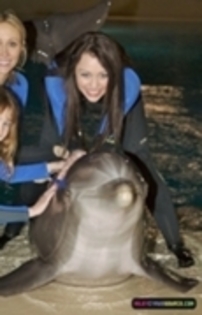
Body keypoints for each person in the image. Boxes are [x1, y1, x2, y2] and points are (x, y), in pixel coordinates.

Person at [45, 31, 193, 268]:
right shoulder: (55, 76)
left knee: (141, 163)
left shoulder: (128, 81)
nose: (94, 85)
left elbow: (107, 140)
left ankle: (176, 244)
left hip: (121, 105)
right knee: (51, 155)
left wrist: (91, 158)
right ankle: (26, 230)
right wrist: (71, 152)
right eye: (86, 74)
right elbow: (66, 128)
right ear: (73, 70)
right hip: (68, 92)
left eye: (104, 75)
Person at [0, 11, 68, 246]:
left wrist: (54, 165)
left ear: (22, 49)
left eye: (12, 44)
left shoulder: (18, 86)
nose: (4, 54)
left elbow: (4, 171)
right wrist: (28, 212)